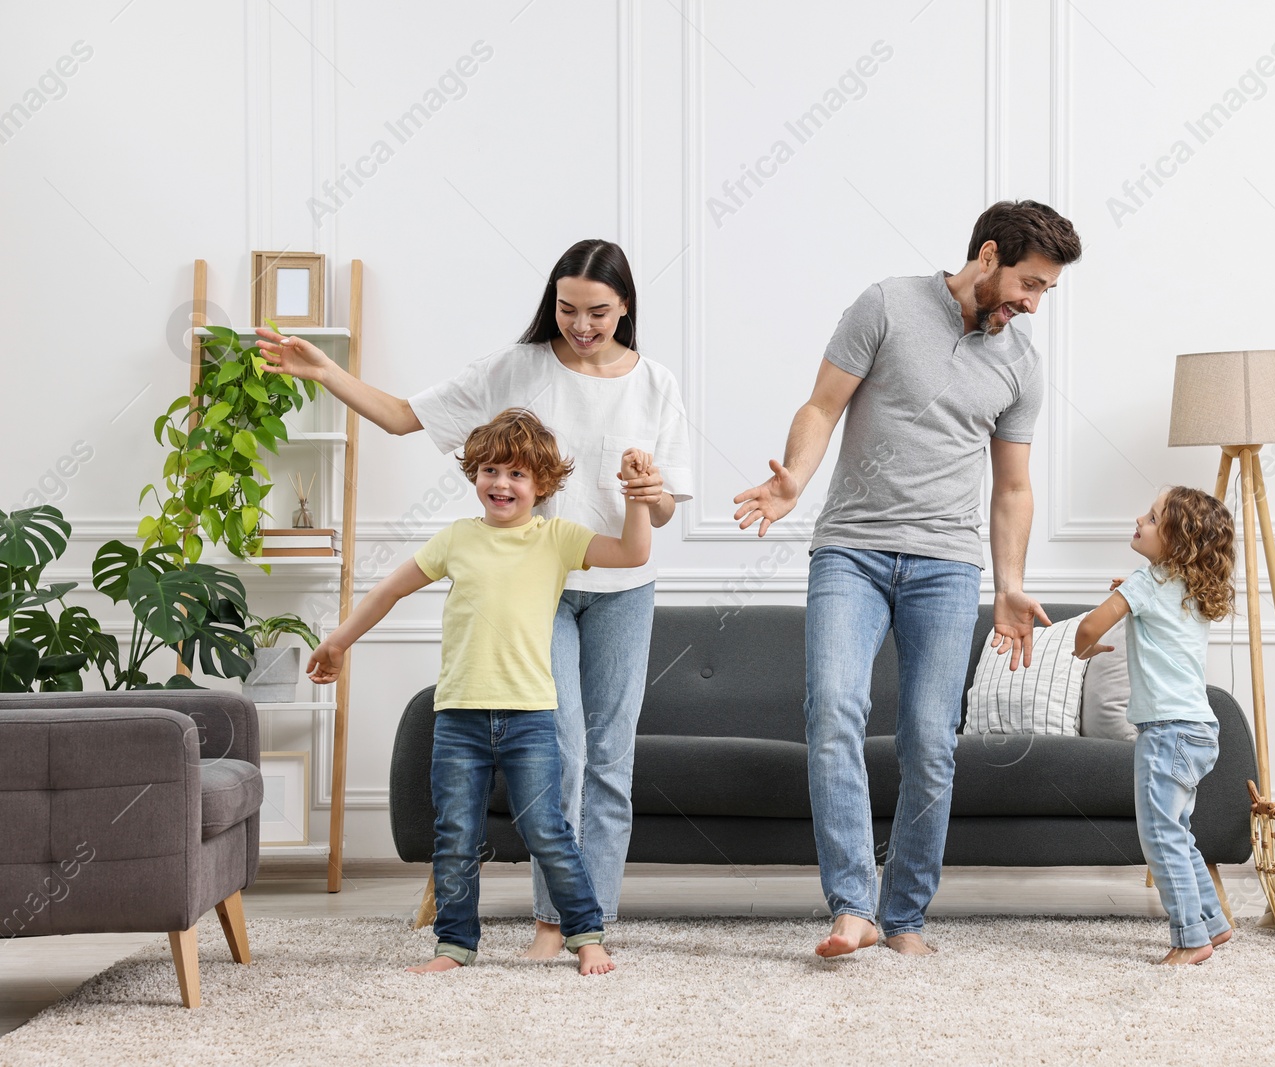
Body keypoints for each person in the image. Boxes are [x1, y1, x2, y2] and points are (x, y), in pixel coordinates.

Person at [258, 239, 692, 959]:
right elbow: (402, 416)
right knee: (566, 749)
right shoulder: (515, 368)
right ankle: (552, 923)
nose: (580, 325)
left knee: (612, 759)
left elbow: (662, 514)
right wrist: (326, 370)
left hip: (621, 586)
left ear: (626, 308)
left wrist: (648, 494)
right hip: (540, 587)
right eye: (566, 308)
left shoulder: (657, 385)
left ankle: (591, 921)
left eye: (598, 313)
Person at [732, 201, 1082, 957]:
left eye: (1046, 290)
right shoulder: (887, 304)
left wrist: (1011, 582)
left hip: (948, 566)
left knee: (930, 738)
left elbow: (1012, 487)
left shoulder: (1021, 362)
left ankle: (907, 914)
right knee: (833, 710)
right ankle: (852, 903)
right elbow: (822, 406)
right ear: (987, 255)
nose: (1032, 302)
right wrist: (794, 476)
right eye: (1029, 282)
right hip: (851, 550)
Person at [305, 408, 652, 976]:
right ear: (474, 475)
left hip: (531, 717)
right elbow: (388, 591)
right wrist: (339, 642)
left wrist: (637, 496)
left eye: (517, 474)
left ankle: (586, 934)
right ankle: (454, 946)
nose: (501, 483)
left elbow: (633, 554)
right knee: (456, 835)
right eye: (490, 469)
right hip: (459, 718)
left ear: (542, 485)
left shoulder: (558, 539)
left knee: (547, 831)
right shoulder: (455, 540)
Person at [1073, 486, 1236, 965]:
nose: (1138, 520)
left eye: (1151, 516)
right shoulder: (1189, 589)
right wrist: (1135, 590)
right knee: (1177, 830)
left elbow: (1087, 628)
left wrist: (1085, 649)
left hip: (1166, 733)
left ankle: (1191, 939)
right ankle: (1213, 922)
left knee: (1160, 835)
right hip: (1200, 730)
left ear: (1176, 540)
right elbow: (1160, 610)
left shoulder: (1145, 585)